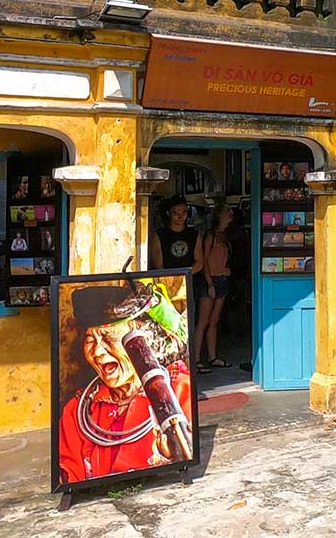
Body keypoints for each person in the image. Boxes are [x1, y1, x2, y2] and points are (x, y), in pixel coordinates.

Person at [59, 283, 192, 483]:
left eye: (108, 337)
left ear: (142, 341)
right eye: (89, 340)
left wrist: (173, 456)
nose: (97, 352)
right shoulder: (76, 412)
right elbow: (68, 474)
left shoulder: (180, 391)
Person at [196, 204, 235, 374]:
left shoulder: (225, 236)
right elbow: (204, 261)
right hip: (210, 281)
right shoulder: (210, 236)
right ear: (220, 215)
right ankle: (196, 359)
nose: (231, 213)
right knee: (203, 322)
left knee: (214, 321)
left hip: (222, 279)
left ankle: (213, 357)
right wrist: (209, 282)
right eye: (227, 211)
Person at [149, 196, 202, 275]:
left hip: (190, 280)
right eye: (175, 213)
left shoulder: (194, 234)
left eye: (184, 212)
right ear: (168, 213)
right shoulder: (159, 235)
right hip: (167, 280)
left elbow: (199, 262)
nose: (180, 216)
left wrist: (185, 276)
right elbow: (158, 265)